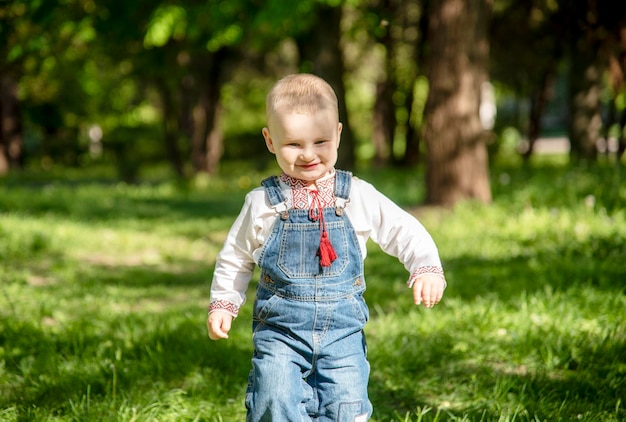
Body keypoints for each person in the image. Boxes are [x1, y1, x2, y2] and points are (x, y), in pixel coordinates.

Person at [207, 73, 446, 422]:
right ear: (270, 140)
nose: (308, 155)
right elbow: (236, 257)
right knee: (273, 398)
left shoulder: (357, 195)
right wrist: (224, 302)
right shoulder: (263, 202)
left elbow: (402, 229)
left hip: (343, 333)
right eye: (293, 144)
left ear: (337, 133)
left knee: (345, 405)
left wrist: (425, 266)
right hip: (280, 331)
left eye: (320, 141)